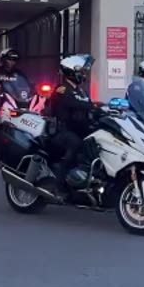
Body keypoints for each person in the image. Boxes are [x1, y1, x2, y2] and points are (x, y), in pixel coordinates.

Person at [47, 54, 95, 189]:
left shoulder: (80, 90)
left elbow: (87, 104)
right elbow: (75, 104)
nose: (83, 74)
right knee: (76, 143)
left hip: (77, 128)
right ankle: (60, 182)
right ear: (71, 72)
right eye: (81, 71)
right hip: (63, 131)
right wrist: (95, 106)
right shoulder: (62, 90)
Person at [0, 48, 26, 186]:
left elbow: (27, 88)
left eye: (14, 59)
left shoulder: (20, 74)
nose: (12, 62)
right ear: (3, 59)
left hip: (16, 105)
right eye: (9, 59)